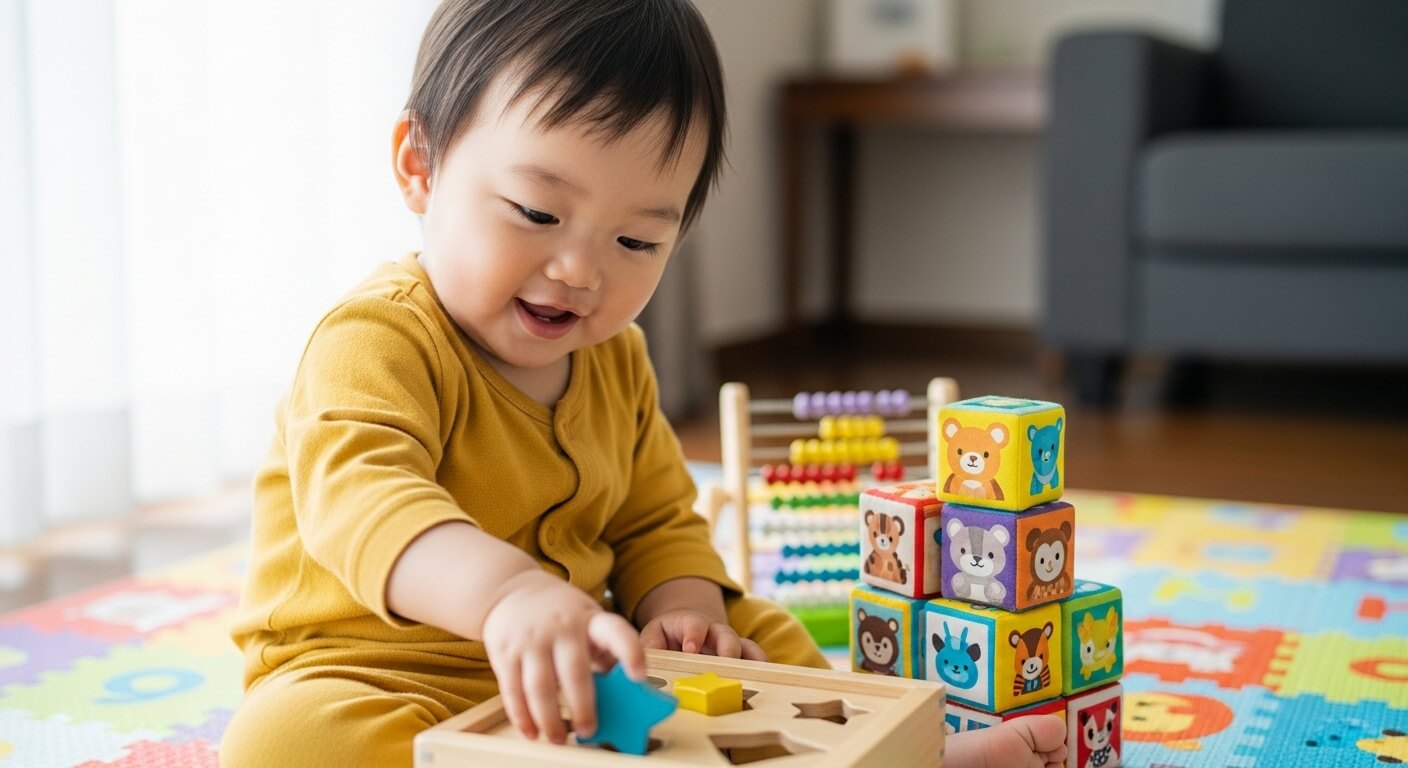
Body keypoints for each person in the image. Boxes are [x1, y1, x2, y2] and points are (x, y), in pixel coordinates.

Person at [221, 1, 1068, 766]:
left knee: (755, 631)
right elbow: (363, 501)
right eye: (539, 213)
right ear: (419, 163)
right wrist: (507, 598)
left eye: (637, 243)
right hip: (378, 673)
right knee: (282, 739)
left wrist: (686, 606)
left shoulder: (616, 358)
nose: (579, 270)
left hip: (583, 673)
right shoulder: (374, 339)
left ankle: (899, 755)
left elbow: (654, 516)